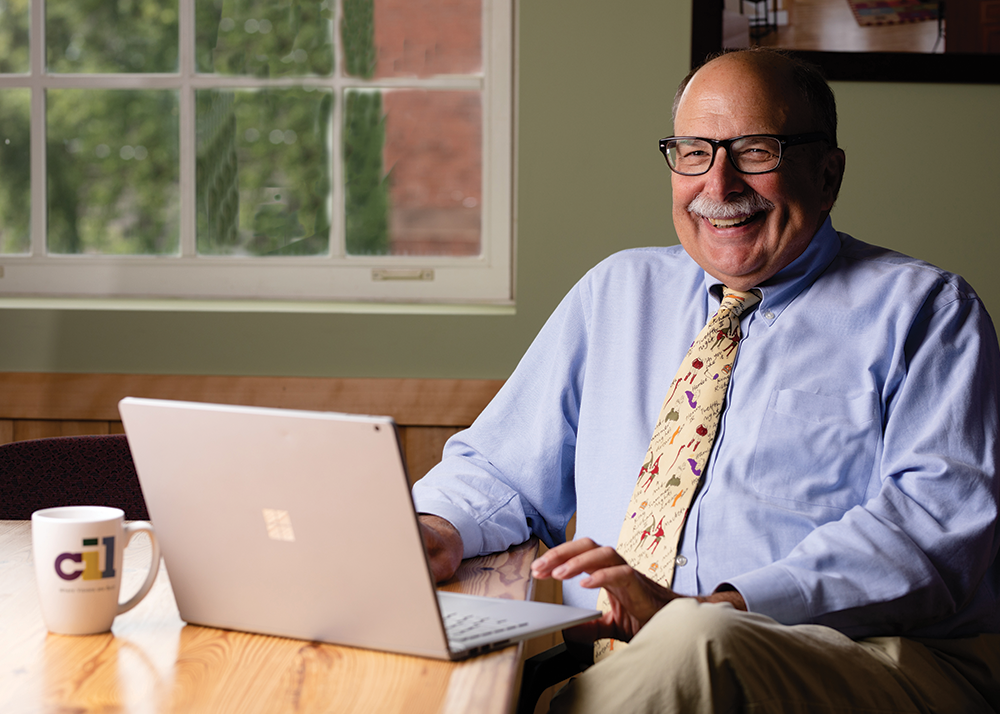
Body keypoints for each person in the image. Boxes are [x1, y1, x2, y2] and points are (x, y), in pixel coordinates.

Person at [414, 47, 1000, 712]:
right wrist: (438, 528)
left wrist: (717, 607)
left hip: (876, 659)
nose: (719, 185)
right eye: (694, 152)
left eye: (756, 151)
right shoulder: (616, 292)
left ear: (828, 174)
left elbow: (930, 537)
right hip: (625, 666)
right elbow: (500, 467)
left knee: (698, 639)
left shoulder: (930, 313)